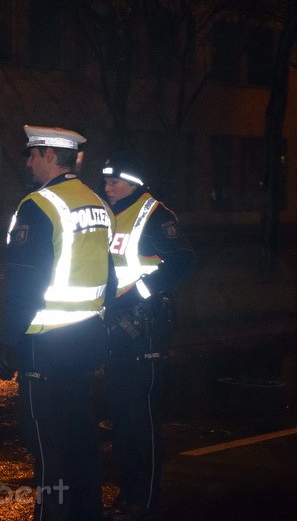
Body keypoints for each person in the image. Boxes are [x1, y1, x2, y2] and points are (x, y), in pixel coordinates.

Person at [0, 125, 115, 521]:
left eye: (32, 154)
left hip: (45, 343)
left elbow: (24, 283)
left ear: (49, 155)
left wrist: (8, 340)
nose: (28, 162)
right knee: (81, 433)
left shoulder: (39, 205)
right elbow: (109, 277)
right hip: (86, 336)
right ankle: (88, 512)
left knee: (45, 440)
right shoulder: (96, 202)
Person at [100, 149, 195, 520]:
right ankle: (127, 495)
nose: (107, 187)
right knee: (122, 415)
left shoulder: (155, 215)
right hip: (115, 326)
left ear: (134, 184)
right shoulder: (108, 214)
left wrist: (137, 294)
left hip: (146, 324)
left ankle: (146, 500)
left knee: (141, 417)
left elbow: (184, 261)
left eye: (114, 181)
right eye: (105, 180)